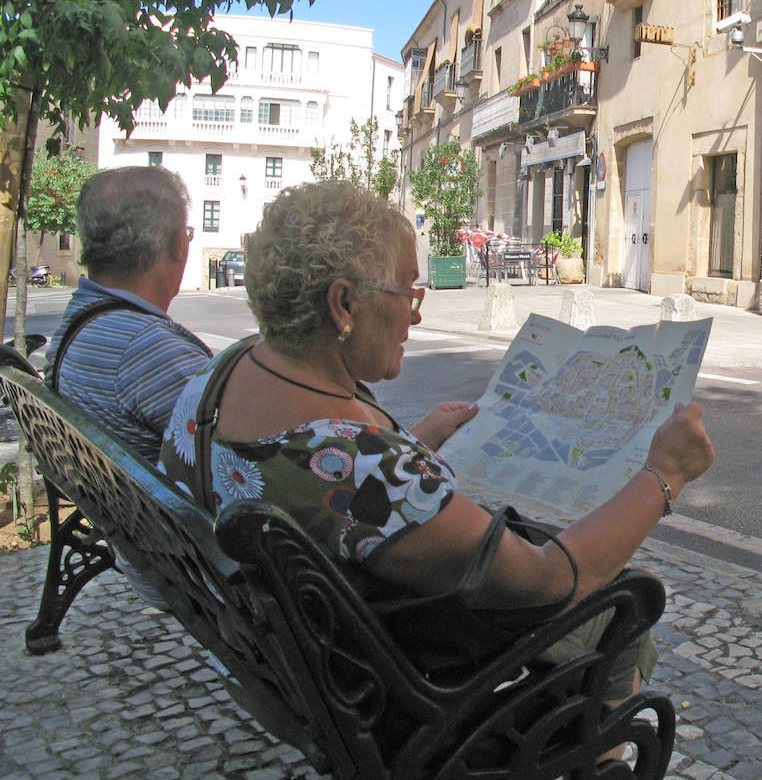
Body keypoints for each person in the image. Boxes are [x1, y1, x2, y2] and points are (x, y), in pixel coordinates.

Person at [157, 180, 714, 699]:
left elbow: (344, 485)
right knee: (622, 609)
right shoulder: (368, 467)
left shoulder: (217, 376)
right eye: (407, 292)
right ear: (344, 303)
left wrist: (416, 441)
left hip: (301, 665)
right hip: (397, 697)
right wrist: (663, 474)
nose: (415, 316)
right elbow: (544, 580)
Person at [47, 165, 212, 606]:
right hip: (202, 573)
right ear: (179, 244)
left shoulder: (80, 322)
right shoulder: (144, 349)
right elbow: (266, 458)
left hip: (146, 546)